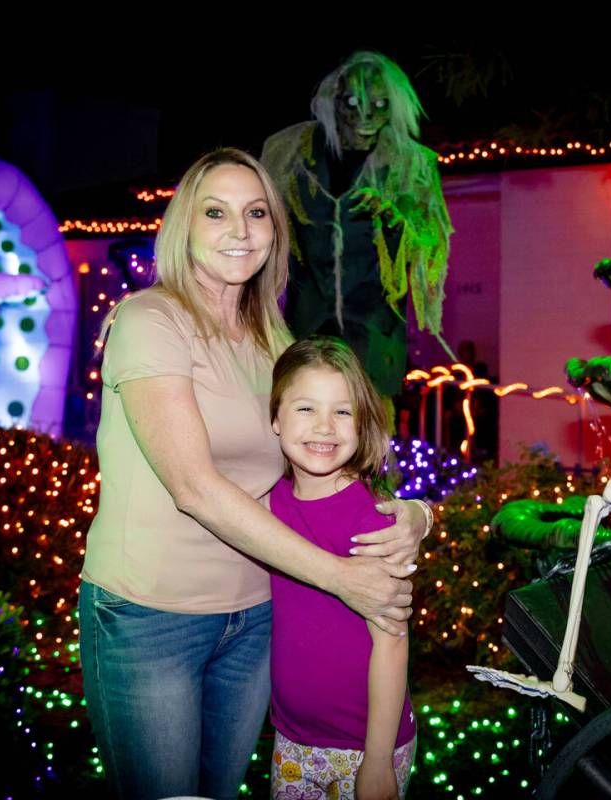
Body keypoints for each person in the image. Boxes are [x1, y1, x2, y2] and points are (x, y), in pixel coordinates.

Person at [77, 148, 432, 800]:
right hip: (151, 616)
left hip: (255, 618)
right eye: (216, 212)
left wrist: (413, 513)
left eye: (256, 213)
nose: (240, 230)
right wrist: (341, 578)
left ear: (274, 231)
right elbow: (193, 486)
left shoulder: (270, 340)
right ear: (185, 225)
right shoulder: (149, 319)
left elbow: (320, 459)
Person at [268, 336, 415, 800]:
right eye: (306, 409)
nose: (325, 427)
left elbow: (392, 646)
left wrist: (376, 760)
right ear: (275, 418)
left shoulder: (371, 519)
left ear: (362, 422)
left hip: (365, 747)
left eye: (343, 411)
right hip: (292, 739)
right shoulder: (267, 505)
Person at [261, 51, 453, 399]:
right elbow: (262, 220)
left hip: (373, 332)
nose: (366, 116)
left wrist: (398, 224)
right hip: (304, 325)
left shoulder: (413, 166)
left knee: (365, 433)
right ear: (334, 101)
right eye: (353, 102)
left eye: (379, 105)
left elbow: (431, 244)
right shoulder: (289, 152)